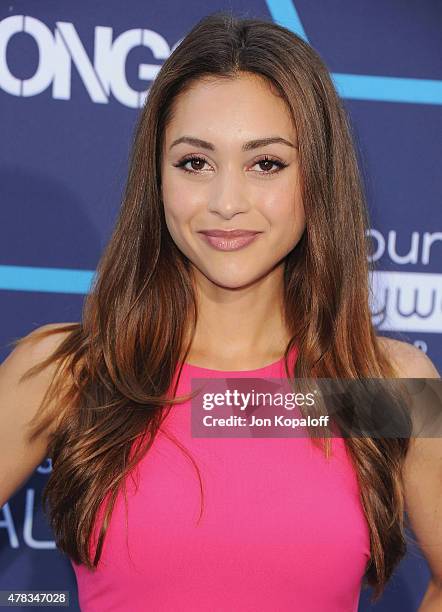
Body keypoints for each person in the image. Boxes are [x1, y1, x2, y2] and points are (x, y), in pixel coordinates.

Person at [1, 11, 441, 612]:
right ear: (155, 178)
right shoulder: (72, 371)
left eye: (266, 164)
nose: (226, 202)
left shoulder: (382, 385)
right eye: (194, 163)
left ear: (317, 177)